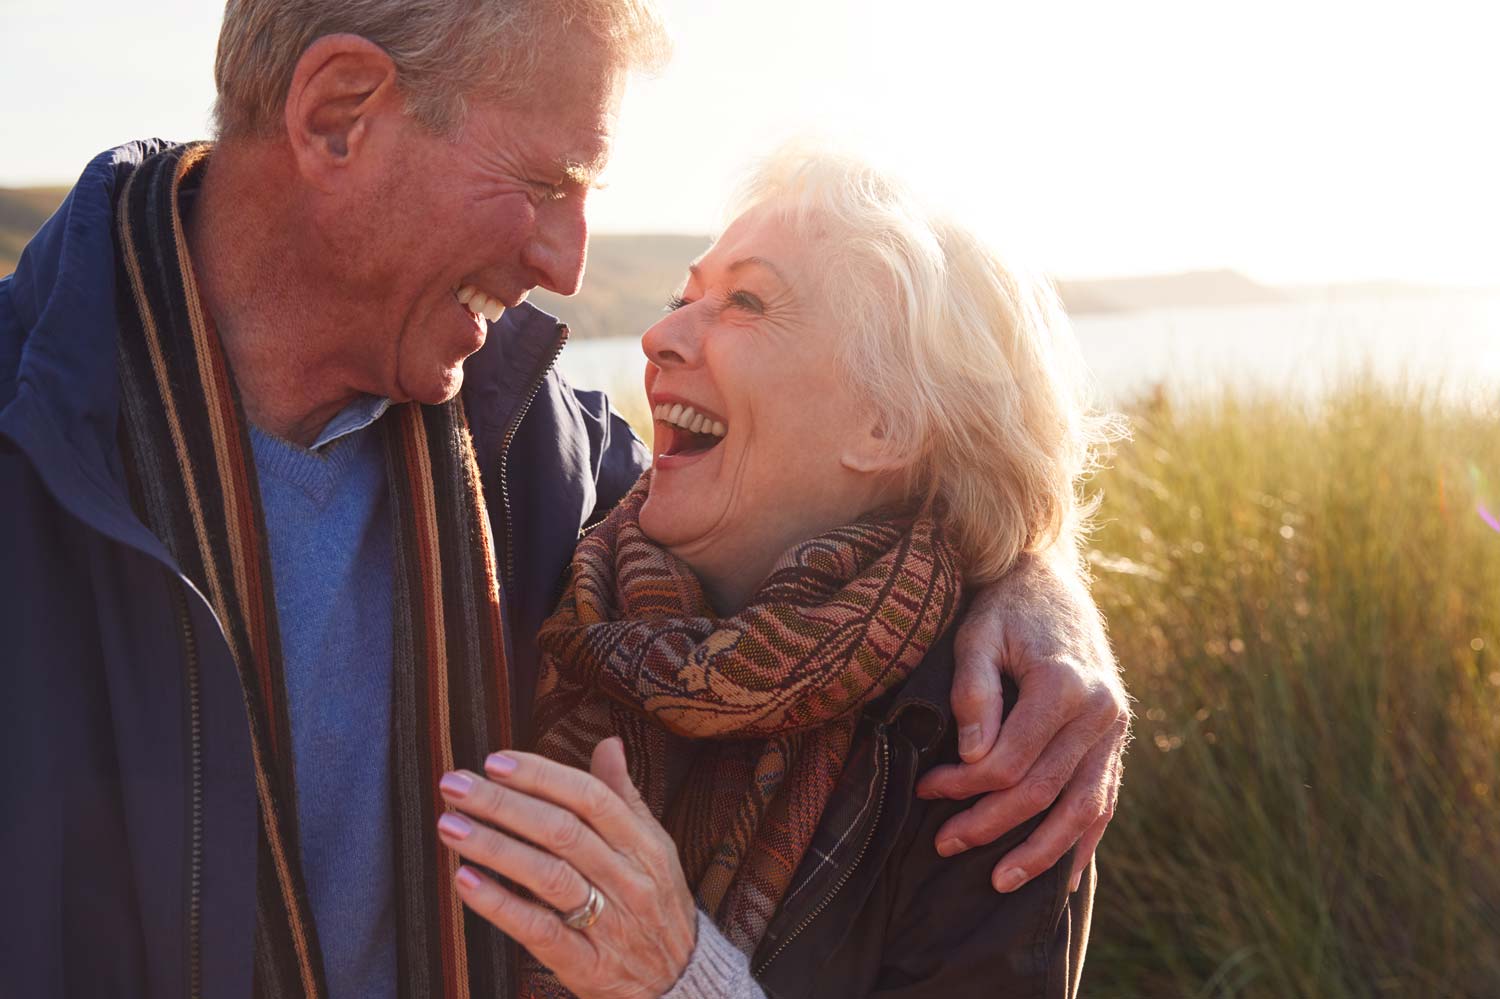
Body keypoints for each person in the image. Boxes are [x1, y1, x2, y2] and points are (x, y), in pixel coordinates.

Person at [0, 2, 1128, 996]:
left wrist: (1035, 579)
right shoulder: (26, 434)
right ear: (339, 114)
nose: (572, 266)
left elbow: (861, 498)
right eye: (545, 183)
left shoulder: (548, 468)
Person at [435, 149, 1117, 998]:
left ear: (886, 423)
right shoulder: (567, 546)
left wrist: (683, 976)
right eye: (682, 298)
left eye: (746, 301)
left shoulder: (989, 746)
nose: (659, 336)